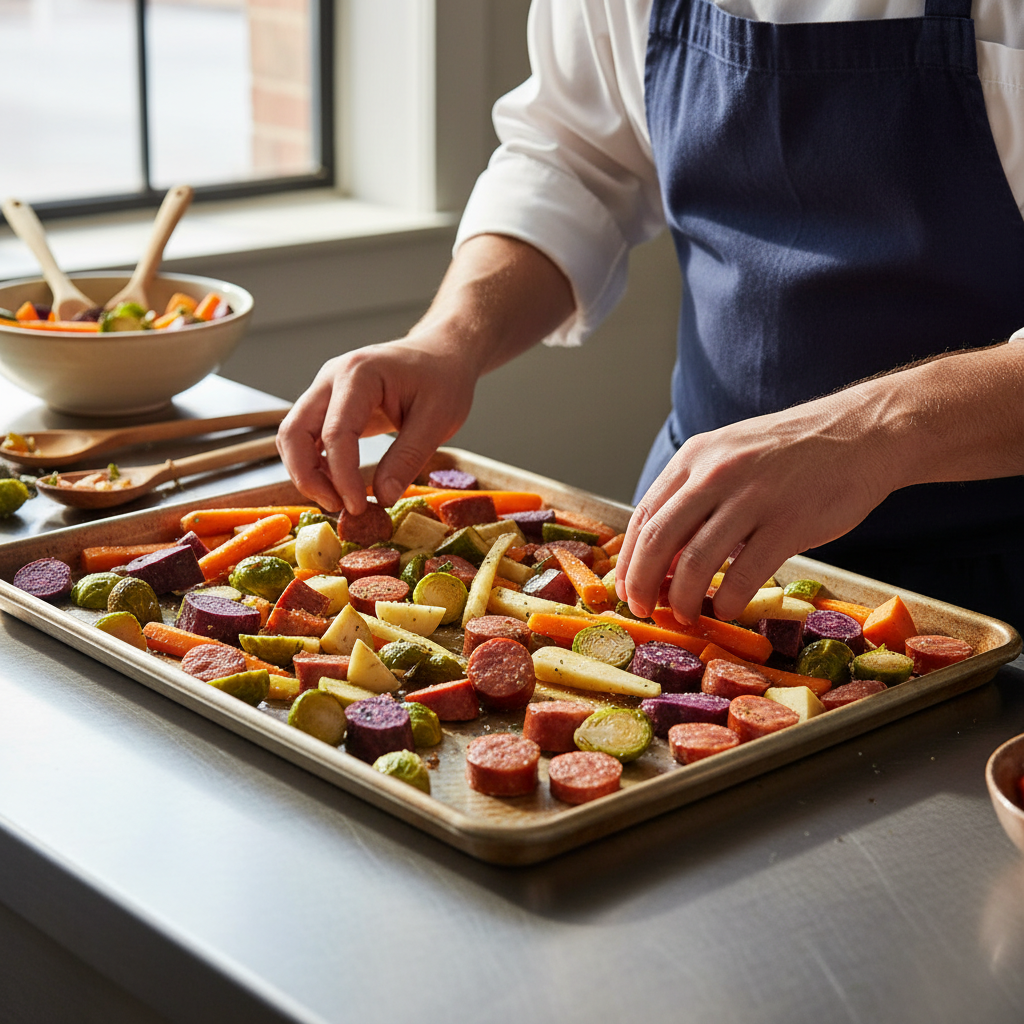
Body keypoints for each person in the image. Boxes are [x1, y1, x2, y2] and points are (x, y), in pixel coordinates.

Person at [278, 0, 1024, 629]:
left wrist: (874, 430)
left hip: (995, 570)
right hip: (692, 539)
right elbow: (573, 159)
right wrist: (449, 338)